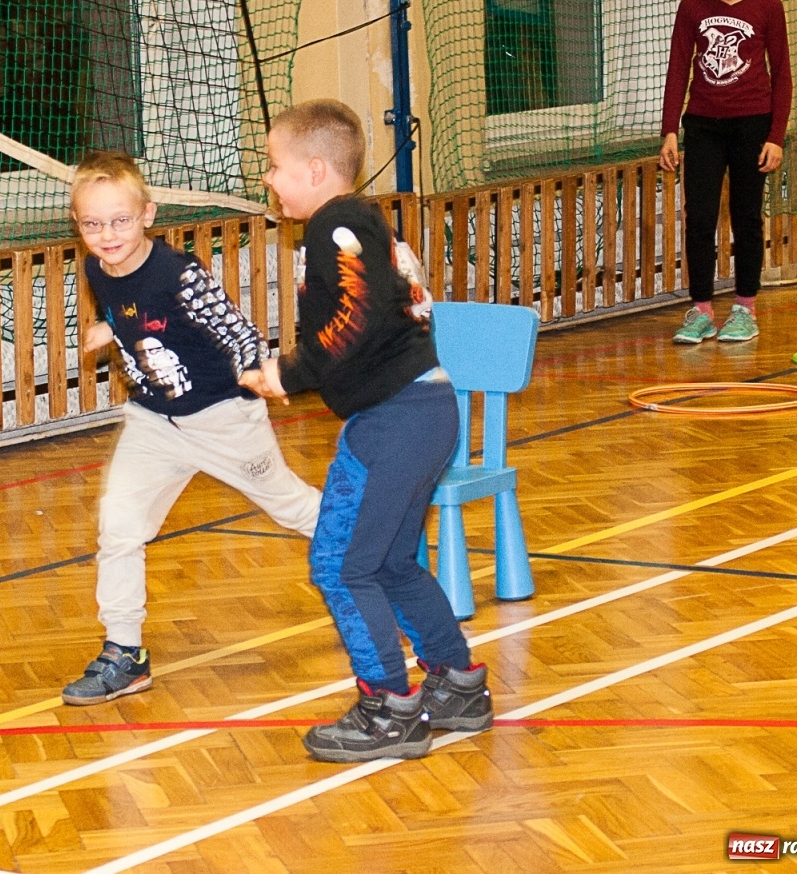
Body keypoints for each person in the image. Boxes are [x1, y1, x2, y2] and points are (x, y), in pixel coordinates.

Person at [244, 99, 491, 763]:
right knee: (387, 562)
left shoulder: (338, 227)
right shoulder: (362, 227)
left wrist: (290, 373)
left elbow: (354, 320)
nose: (269, 180)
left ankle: (389, 708)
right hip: (418, 411)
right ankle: (457, 686)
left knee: (344, 569)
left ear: (318, 169)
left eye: (276, 167)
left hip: (397, 419)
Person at [61, 150, 322, 706]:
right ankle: (125, 654)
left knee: (292, 507)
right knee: (120, 526)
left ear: (148, 214)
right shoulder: (94, 270)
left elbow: (239, 331)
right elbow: (131, 310)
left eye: (120, 220)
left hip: (223, 418)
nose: (107, 235)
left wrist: (261, 372)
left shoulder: (181, 275)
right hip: (153, 420)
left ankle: (384, 557)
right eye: (92, 224)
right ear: (78, 226)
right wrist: (110, 326)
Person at [659, 0, 792, 344]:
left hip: (752, 123)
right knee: (699, 217)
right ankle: (700, 310)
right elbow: (678, 69)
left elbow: (783, 74)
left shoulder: (768, 6)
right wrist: (669, 130)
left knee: (747, 217)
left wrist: (776, 136)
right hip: (703, 126)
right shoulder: (693, 6)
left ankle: (744, 308)